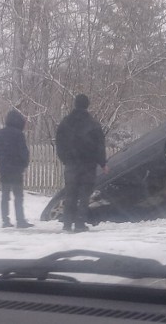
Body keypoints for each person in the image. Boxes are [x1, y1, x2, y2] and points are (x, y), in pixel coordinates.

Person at [55, 94, 108, 232]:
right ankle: (79, 223)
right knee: (84, 195)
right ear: (87, 105)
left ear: (75, 104)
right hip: (88, 165)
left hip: (71, 164)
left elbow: (59, 142)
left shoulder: (66, 122)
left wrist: (65, 159)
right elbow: (100, 145)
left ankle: (67, 223)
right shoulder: (93, 124)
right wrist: (102, 163)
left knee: (70, 194)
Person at [0, 110, 34, 229]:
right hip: (16, 169)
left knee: (5, 196)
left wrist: (2, 159)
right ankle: (20, 220)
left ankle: (5, 220)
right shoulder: (18, 134)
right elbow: (23, 151)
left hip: (4, 169)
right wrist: (23, 164)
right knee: (18, 196)